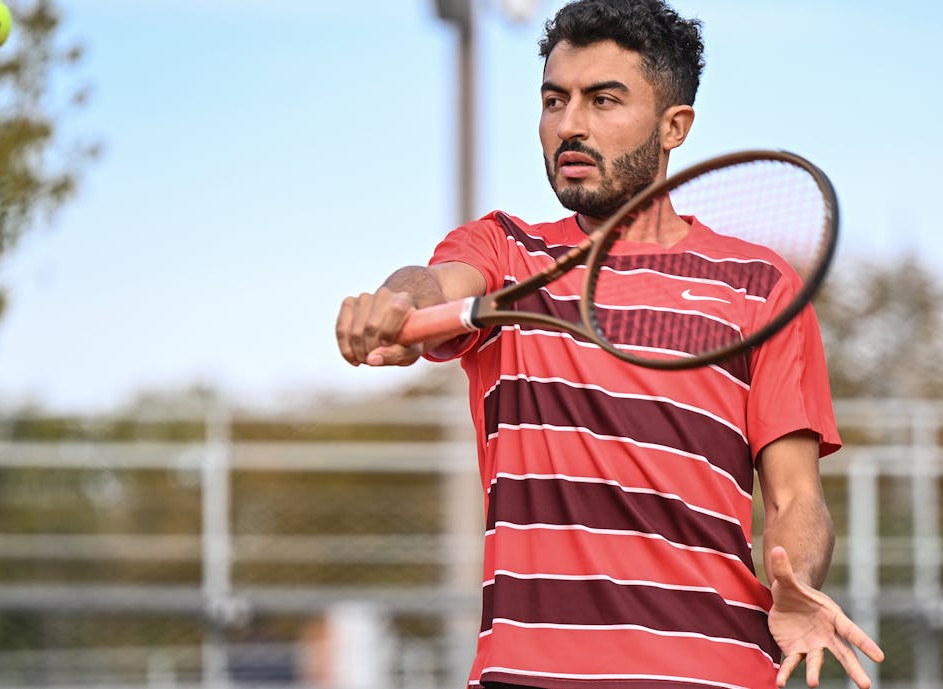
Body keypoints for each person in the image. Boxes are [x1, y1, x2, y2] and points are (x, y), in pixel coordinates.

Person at [335, 1, 884, 688]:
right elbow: (432, 284)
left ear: (674, 126)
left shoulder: (760, 285)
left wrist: (794, 581)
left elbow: (795, 496)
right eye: (553, 100)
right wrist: (397, 305)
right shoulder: (506, 251)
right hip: (525, 673)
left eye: (603, 100)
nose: (570, 124)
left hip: (713, 670)